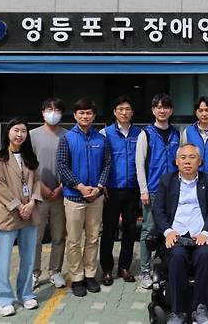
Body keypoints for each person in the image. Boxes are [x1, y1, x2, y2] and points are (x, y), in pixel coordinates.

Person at [153, 143, 208, 324]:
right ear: (176, 161)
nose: (187, 161)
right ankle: (178, 311)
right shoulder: (167, 181)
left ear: (200, 161)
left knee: (205, 255)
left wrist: (206, 233)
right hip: (176, 236)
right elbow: (158, 210)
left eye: (192, 157)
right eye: (183, 157)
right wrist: (167, 231)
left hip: (200, 236)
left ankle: (201, 309)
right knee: (176, 256)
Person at [57, 97, 111, 297]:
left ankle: (90, 274)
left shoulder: (101, 139)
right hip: (73, 197)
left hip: (95, 198)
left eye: (89, 113)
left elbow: (107, 164)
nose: (85, 116)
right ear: (75, 115)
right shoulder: (67, 139)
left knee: (92, 238)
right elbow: (62, 166)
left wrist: (98, 187)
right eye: (81, 113)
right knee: (73, 240)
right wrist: (80, 187)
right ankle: (77, 277)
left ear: (94, 116)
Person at [0, 117, 42, 317]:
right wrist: (19, 206)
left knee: (28, 258)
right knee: (2, 261)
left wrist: (32, 203)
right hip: (8, 215)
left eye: (23, 131)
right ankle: (4, 299)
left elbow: (37, 181)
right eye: (16, 130)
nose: (20, 135)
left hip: (29, 214)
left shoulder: (30, 157)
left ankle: (26, 294)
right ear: (8, 133)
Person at [135, 93, 180, 289]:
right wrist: (143, 190)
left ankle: (167, 264)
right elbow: (139, 164)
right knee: (148, 229)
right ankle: (144, 270)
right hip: (153, 190)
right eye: (158, 107)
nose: (162, 110)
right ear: (153, 110)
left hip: (175, 190)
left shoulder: (178, 133)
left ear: (171, 110)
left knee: (171, 229)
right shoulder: (145, 134)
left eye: (166, 107)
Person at [99, 95, 142, 285]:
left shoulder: (140, 134)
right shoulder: (104, 133)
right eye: (120, 109)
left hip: (133, 189)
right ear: (115, 112)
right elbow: (99, 162)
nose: (124, 113)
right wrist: (102, 185)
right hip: (111, 189)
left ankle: (125, 266)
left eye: (127, 109)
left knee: (130, 230)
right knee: (108, 230)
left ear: (132, 112)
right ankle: (107, 269)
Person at [30, 98, 67, 290]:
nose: (53, 112)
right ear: (43, 111)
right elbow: (28, 167)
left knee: (59, 236)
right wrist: (41, 186)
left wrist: (62, 187)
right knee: (35, 237)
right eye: (49, 109)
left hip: (61, 194)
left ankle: (55, 271)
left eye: (57, 109)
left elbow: (71, 164)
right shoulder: (31, 135)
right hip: (38, 195)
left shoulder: (67, 135)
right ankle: (34, 273)